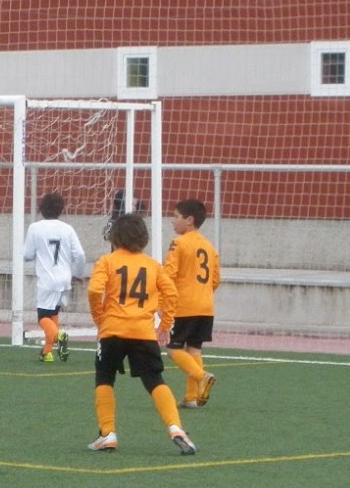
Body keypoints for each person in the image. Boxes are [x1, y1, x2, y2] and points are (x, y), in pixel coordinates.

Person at [85, 214, 195, 455]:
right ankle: (176, 428)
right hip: (143, 333)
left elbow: (94, 290)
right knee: (155, 380)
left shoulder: (107, 261)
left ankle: (107, 433)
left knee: (105, 378)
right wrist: (165, 324)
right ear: (143, 238)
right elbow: (171, 294)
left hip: (112, 331)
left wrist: (99, 318)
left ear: (115, 237)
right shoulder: (153, 265)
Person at [162, 199, 220, 409]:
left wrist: (162, 300)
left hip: (184, 306)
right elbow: (216, 279)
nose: (172, 220)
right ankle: (192, 397)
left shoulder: (179, 243)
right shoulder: (210, 246)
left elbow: (168, 274)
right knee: (194, 349)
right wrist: (202, 294)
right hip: (206, 307)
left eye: (176, 216)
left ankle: (202, 376)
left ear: (189, 220)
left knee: (172, 349)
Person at [21, 193, 87, 363]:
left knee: (42, 317)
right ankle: (47, 352)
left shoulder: (35, 228)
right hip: (65, 279)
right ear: (61, 210)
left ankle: (59, 336)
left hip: (47, 280)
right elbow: (79, 255)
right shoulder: (67, 229)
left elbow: (27, 254)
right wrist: (78, 274)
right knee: (53, 314)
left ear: (41, 208)